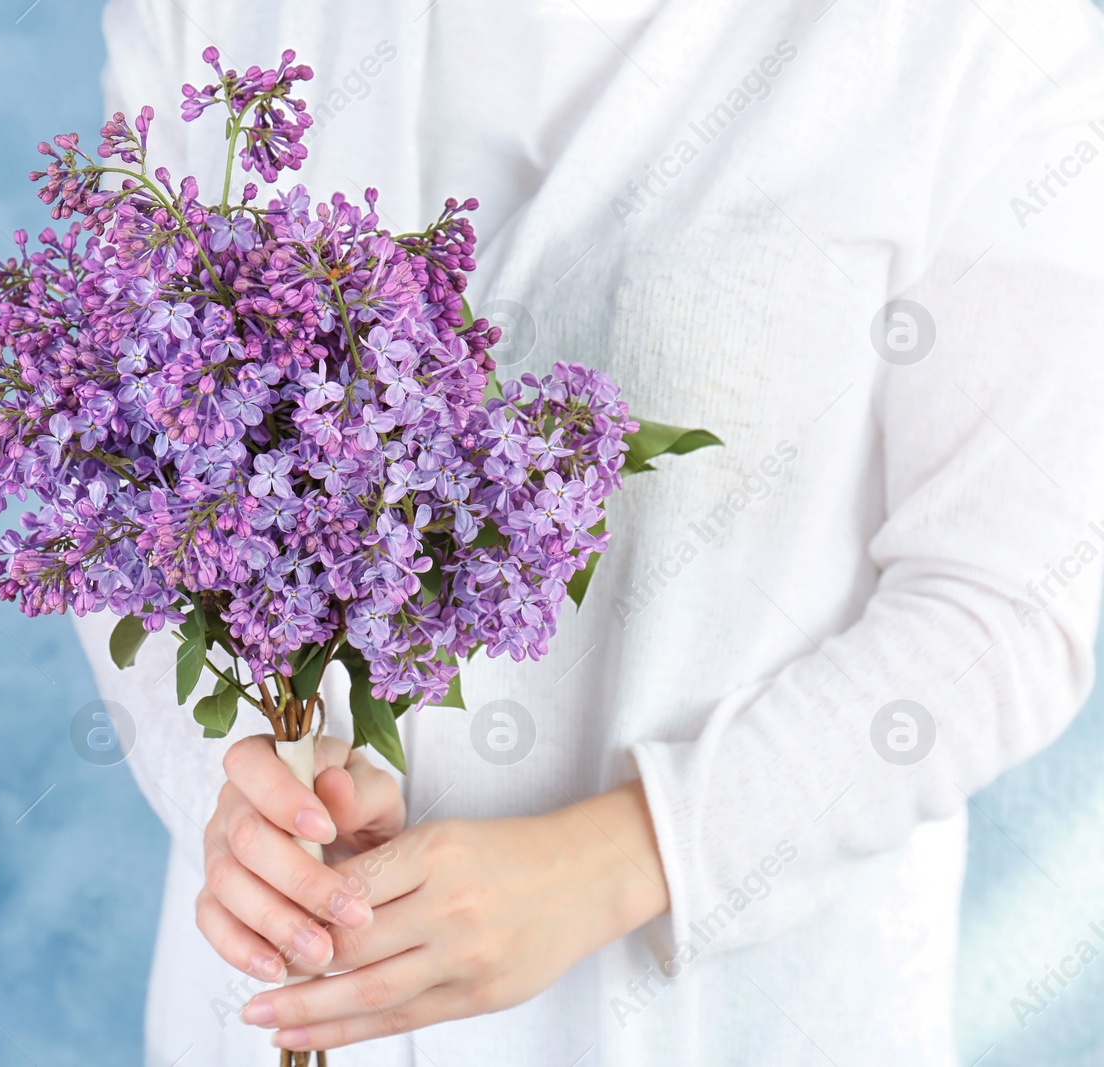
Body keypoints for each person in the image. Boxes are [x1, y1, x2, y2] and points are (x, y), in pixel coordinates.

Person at [76, 0, 1104, 1062]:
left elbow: (1002, 607)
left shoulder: (976, 37)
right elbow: (118, 464)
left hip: (716, 1018)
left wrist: (621, 858)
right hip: (277, 1005)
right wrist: (238, 800)